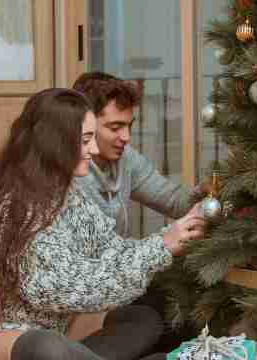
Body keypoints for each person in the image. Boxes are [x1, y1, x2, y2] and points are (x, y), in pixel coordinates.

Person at [0, 88, 206, 360]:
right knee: (44, 349)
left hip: (56, 323)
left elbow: (112, 251)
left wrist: (166, 242)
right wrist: (159, 247)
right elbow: (60, 289)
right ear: (55, 142)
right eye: (85, 140)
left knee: (144, 321)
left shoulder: (67, 194)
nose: (93, 149)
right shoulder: (15, 206)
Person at [70, 72, 208, 237]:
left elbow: (174, 202)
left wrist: (206, 191)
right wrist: (166, 241)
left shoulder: (127, 158)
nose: (126, 137)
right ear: (85, 124)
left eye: (129, 126)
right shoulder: (68, 175)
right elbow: (96, 257)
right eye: (115, 128)